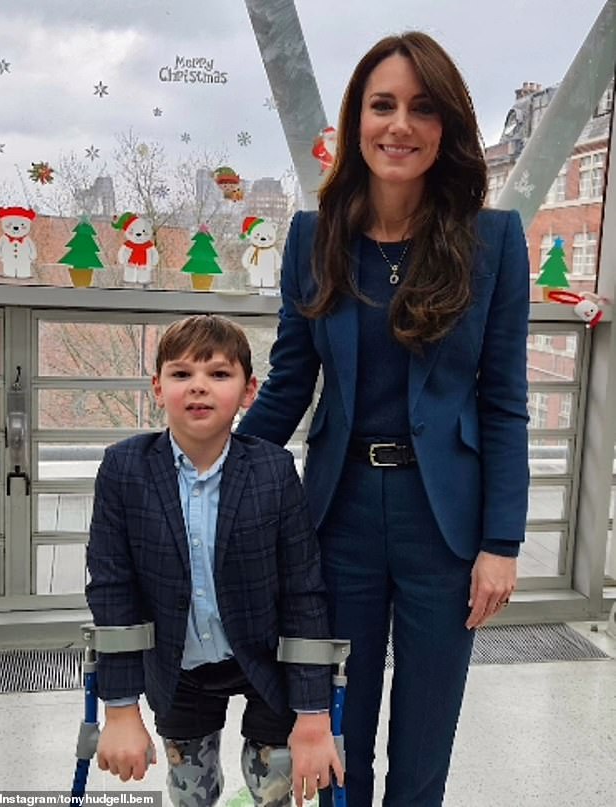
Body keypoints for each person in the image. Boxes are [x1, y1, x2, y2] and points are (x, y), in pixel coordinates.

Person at [237, 31, 530, 807]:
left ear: (447, 127)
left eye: (422, 108)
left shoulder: (493, 242)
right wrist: (211, 473)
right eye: (382, 105)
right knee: (336, 733)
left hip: (446, 526)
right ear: (356, 120)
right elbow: (289, 384)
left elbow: (503, 399)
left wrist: (501, 541)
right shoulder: (314, 235)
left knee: (424, 747)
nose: (400, 125)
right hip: (338, 517)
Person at [86, 314, 344, 807]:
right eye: (182, 374)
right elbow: (112, 589)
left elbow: (303, 592)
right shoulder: (124, 469)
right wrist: (119, 709)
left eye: (218, 375)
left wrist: (313, 714)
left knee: (273, 787)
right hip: (177, 665)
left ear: (249, 391)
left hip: (264, 660)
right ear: (158, 388)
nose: (199, 387)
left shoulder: (273, 470)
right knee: (190, 791)